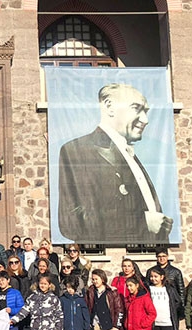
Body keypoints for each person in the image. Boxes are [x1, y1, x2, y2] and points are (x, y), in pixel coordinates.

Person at [58, 83, 173, 243]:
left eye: (145, 111)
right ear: (109, 106)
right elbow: (71, 221)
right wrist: (142, 222)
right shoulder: (77, 150)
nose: (145, 120)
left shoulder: (128, 153)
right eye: (136, 108)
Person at [146, 247, 186, 330]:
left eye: (163, 256)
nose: (161, 259)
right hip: (156, 307)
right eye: (159, 257)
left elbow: (181, 291)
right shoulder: (151, 271)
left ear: (167, 257)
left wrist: (181, 309)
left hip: (172, 308)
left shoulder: (176, 272)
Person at [111, 258, 144, 330]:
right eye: (124, 266)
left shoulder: (138, 280)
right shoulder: (117, 280)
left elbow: (141, 295)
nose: (126, 268)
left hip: (133, 311)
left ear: (133, 267)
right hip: (121, 311)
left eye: (129, 266)